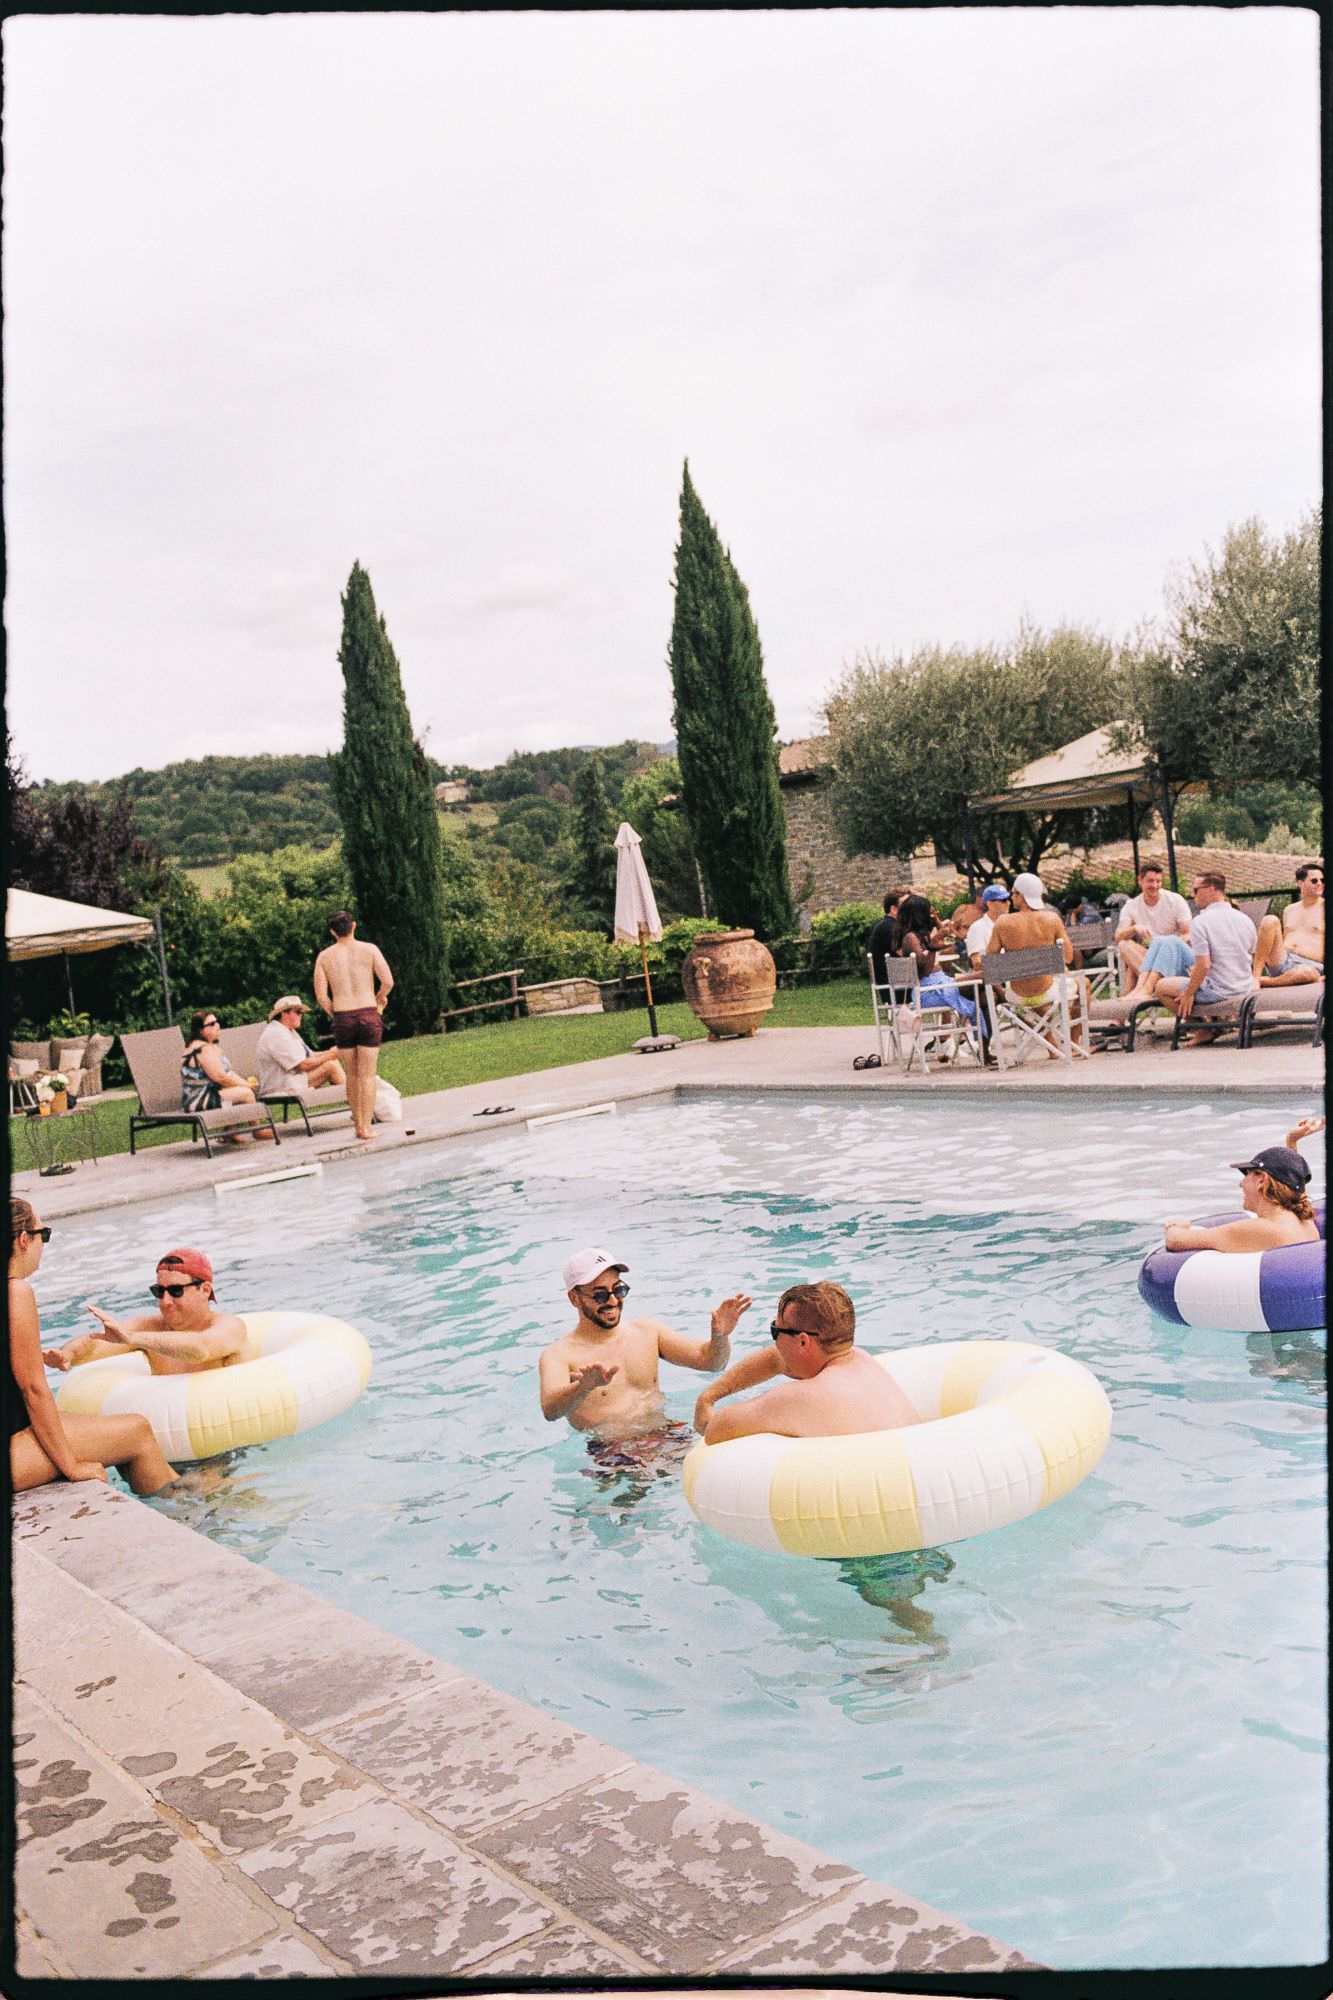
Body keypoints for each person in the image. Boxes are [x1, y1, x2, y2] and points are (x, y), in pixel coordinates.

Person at [9, 1197, 178, 1494]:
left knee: (113, 1432)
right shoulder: (15, 1290)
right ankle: (185, 1510)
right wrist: (72, 1466)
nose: (43, 1245)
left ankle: (181, 1494)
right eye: (43, 1234)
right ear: (24, 1239)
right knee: (136, 1432)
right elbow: (33, 1390)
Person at [539, 1247, 751, 1463]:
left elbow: (712, 1363)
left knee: (723, 1465)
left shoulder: (647, 1331)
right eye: (600, 1294)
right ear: (574, 1298)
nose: (612, 1301)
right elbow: (550, 1411)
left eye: (618, 1290)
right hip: (611, 1448)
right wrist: (583, 1387)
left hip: (665, 1433)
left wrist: (720, 1336)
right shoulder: (559, 1354)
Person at [695, 1282, 920, 1442]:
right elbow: (776, 1358)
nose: (775, 1341)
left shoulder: (796, 1399)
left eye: (776, 1331)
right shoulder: (863, 1361)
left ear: (803, 1341)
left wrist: (705, 1408)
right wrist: (710, 1396)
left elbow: (716, 1429)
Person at [43, 1249, 249, 1376]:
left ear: (204, 1290)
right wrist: (68, 1354)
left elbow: (200, 1348)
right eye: (159, 1291)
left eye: (176, 1291)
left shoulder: (229, 1326)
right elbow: (95, 1343)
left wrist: (133, 1338)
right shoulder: (149, 1327)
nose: (165, 1301)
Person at [1163, 1119, 1323, 1253]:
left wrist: (1176, 1224)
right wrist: (1292, 1141)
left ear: (1261, 1181)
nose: (1241, 1183)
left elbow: (1176, 1240)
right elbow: (1293, 1180)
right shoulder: (1305, 1222)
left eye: (1247, 1174)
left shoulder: (1258, 1229)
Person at [313, 912, 394, 1143]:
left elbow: (321, 996)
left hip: (343, 1015)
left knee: (351, 1075)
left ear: (332, 932)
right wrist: (379, 998)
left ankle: (358, 1124)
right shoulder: (369, 949)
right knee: (367, 1075)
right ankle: (366, 1127)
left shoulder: (324, 957)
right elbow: (388, 981)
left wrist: (335, 1013)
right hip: (367, 1012)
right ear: (354, 926)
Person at [987, 871, 1083, 1053]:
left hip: (1016, 996)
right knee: (1083, 983)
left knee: (1036, 987)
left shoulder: (1002, 923)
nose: (1011, 898)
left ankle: (1053, 1048)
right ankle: (1074, 1044)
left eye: (1013, 893)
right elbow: (1068, 956)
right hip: (1048, 992)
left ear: (1021, 896)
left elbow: (991, 961)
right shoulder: (1051, 919)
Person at [1159, 872, 1258, 1047]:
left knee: (1162, 987)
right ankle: (1212, 1024)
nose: (1193, 895)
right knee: (1191, 980)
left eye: (1196, 890)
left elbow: (1204, 965)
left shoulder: (1201, 922)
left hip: (1220, 989)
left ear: (1211, 889)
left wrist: (1189, 993)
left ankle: (1203, 1028)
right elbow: (1251, 953)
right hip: (1244, 985)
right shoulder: (1245, 919)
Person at [896, 893, 982, 1056]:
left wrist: (936, 932)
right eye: (927, 913)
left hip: (937, 984)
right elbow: (924, 969)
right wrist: (933, 946)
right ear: (919, 915)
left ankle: (971, 1041)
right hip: (927, 991)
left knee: (978, 984)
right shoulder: (910, 938)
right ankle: (976, 1042)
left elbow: (944, 938)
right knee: (975, 990)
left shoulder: (919, 935)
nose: (929, 916)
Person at [180, 1008, 275, 1144]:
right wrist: (246, 1086)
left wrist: (244, 1083)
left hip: (209, 1093)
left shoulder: (210, 1046)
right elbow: (220, 1077)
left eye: (217, 1021)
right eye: (212, 1024)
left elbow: (228, 1073)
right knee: (246, 1094)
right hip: (198, 1099)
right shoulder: (202, 1049)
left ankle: (230, 1132)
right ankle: (257, 1131)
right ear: (201, 1030)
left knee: (237, 1092)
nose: (217, 1025)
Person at [1114, 860, 1192, 993]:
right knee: (1123, 944)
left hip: (1175, 956)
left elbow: (1188, 933)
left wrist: (1167, 945)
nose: (1155, 885)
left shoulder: (1175, 900)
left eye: (1158, 881)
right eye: (1150, 881)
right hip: (1149, 956)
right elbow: (1118, 936)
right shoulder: (1132, 905)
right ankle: (1154, 985)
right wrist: (1134, 928)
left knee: (1132, 972)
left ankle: (1139, 991)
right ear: (1140, 880)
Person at [256, 995, 347, 1099]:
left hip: (292, 1081)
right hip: (280, 1087)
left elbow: (309, 1055)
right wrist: (331, 1055)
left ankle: (353, 1100)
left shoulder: (287, 1030)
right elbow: (303, 1065)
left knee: (332, 1062)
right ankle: (354, 1100)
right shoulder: (277, 1034)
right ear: (284, 1013)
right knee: (331, 1066)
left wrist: (334, 1051)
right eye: (298, 1012)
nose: (301, 1016)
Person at [1252, 862, 1324, 988]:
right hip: (1283, 959)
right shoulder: (1289, 909)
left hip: (1312, 966)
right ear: (1300, 883)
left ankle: (1264, 982)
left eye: (1322, 880)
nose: (1319, 883)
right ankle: (1256, 976)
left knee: (1306, 973)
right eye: (1314, 880)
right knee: (1270, 919)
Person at [866, 887, 909, 986]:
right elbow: (908, 955)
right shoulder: (888, 927)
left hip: (901, 982)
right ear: (894, 909)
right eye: (908, 905)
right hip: (896, 988)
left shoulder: (892, 925)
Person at [965, 884, 1012, 968]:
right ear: (990, 904)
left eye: (1008, 899)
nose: (1008, 903)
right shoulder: (977, 928)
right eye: (1003, 900)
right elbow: (977, 962)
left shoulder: (1011, 924)